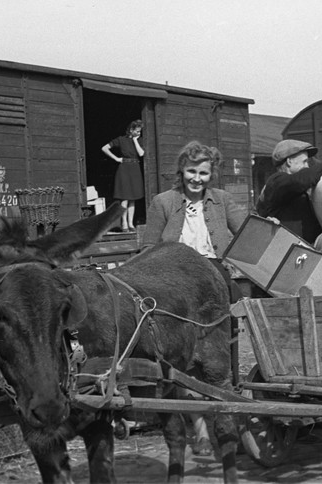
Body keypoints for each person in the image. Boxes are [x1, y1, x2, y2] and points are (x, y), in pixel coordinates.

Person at [141, 141, 245, 456]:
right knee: (182, 358)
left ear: (211, 173)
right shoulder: (163, 202)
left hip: (214, 277)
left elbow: (247, 231)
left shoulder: (223, 200)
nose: (196, 178)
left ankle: (227, 419)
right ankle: (199, 429)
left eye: (203, 172)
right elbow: (147, 249)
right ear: (181, 171)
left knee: (220, 359)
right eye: (191, 171)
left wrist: (269, 228)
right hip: (175, 280)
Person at [255, 139, 322, 244]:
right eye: (304, 162)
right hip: (286, 252)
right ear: (289, 161)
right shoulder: (276, 182)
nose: (307, 166)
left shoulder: (293, 189)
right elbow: (300, 179)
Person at [101, 120, 145, 231]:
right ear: (131, 130)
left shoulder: (139, 140)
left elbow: (141, 153)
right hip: (124, 169)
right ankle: (124, 223)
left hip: (135, 168)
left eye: (140, 132)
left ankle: (131, 224)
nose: (139, 133)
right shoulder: (121, 140)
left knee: (133, 198)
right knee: (125, 198)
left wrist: (135, 140)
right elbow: (104, 148)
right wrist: (116, 158)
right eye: (137, 131)